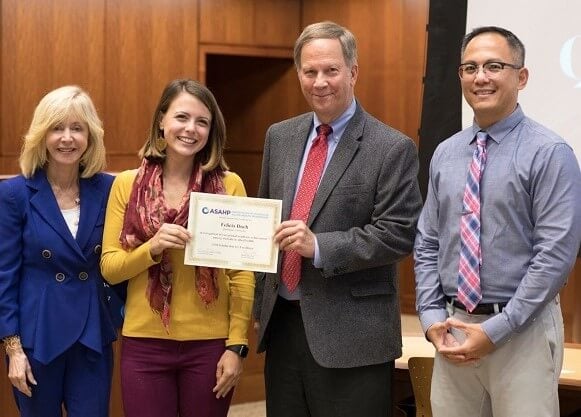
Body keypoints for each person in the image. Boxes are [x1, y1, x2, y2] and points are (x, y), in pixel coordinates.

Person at [253, 21, 423, 417]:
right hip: (283, 327)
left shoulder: (391, 147)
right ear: (299, 74)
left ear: (353, 72)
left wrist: (320, 246)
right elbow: (266, 218)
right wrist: (260, 306)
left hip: (354, 337)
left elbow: (398, 234)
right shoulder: (280, 137)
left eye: (331, 70)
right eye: (309, 72)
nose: (320, 81)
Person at [414, 26, 581, 417]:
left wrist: (498, 329)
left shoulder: (550, 153)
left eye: (494, 66)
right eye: (469, 67)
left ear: (521, 77)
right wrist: (432, 317)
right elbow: (427, 242)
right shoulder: (446, 153)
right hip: (453, 330)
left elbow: (555, 255)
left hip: (523, 330)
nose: (480, 77)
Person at [100, 79, 254, 417]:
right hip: (144, 343)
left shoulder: (229, 185)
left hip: (211, 346)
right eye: (182, 117)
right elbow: (110, 267)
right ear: (161, 121)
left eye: (202, 121)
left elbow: (241, 272)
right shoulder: (126, 185)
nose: (191, 129)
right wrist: (151, 248)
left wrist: (237, 346)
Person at [0, 85, 118, 417]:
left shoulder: (110, 189)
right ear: (42, 134)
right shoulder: (14, 194)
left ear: (90, 136)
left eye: (77, 128)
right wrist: (13, 350)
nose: (67, 138)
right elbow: (4, 276)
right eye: (57, 127)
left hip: (91, 334)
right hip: (38, 337)